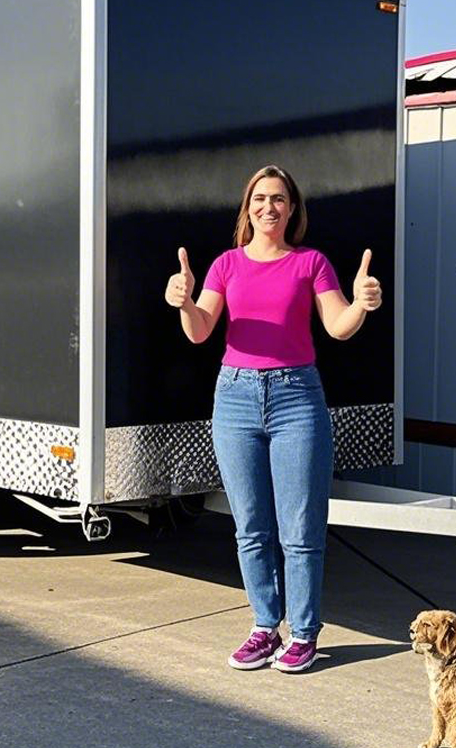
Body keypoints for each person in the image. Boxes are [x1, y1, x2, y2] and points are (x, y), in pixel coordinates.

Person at [164, 164, 381, 673]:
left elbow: (338, 326)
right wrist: (184, 302)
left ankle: (303, 634)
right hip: (235, 399)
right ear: (248, 208)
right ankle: (265, 626)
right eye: (260, 199)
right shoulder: (226, 265)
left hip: (296, 399)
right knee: (250, 527)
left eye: (279, 199)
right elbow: (200, 331)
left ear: (292, 208)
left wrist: (362, 304)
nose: (269, 207)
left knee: (300, 529)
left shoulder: (310, 263)